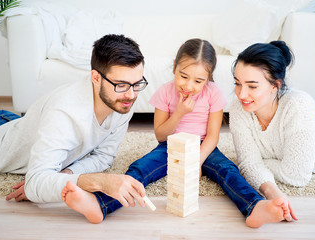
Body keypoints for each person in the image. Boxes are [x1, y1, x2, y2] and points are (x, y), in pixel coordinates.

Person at [61, 38, 290, 228]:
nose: (189, 86)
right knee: (140, 168)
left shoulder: (213, 93)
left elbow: (212, 136)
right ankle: (100, 204)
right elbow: (161, 135)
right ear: (174, 68)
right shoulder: (165, 92)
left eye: (199, 80)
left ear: (209, 78)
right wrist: (179, 113)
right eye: (183, 76)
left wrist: (196, 161)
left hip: (203, 147)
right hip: (170, 145)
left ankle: (254, 207)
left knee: (227, 170)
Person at [0, 34, 149, 208]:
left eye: (137, 84)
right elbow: (35, 182)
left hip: (20, 124)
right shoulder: (63, 112)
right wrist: (100, 181)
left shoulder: (123, 101)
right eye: (121, 85)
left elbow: (104, 157)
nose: (131, 95)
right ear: (95, 78)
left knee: (26, 123)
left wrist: (66, 175)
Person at [229, 40, 315, 222]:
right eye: (238, 83)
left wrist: (257, 163)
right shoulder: (239, 108)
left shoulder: (299, 106)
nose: (241, 94)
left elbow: (296, 175)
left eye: (252, 86)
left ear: (275, 85)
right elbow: (247, 163)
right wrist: (272, 192)